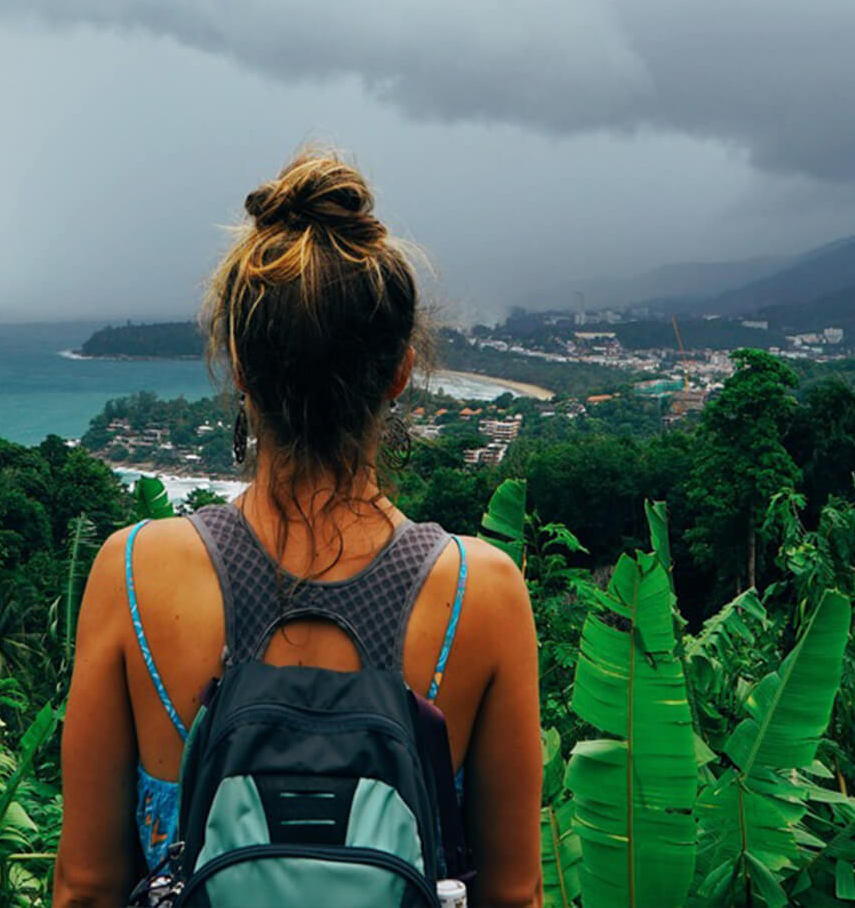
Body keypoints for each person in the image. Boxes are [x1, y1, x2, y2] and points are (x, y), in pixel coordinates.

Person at [53, 150, 543, 907]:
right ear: (401, 372)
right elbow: (514, 895)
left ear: (241, 366)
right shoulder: (484, 593)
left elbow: (85, 888)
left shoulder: (134, 574)